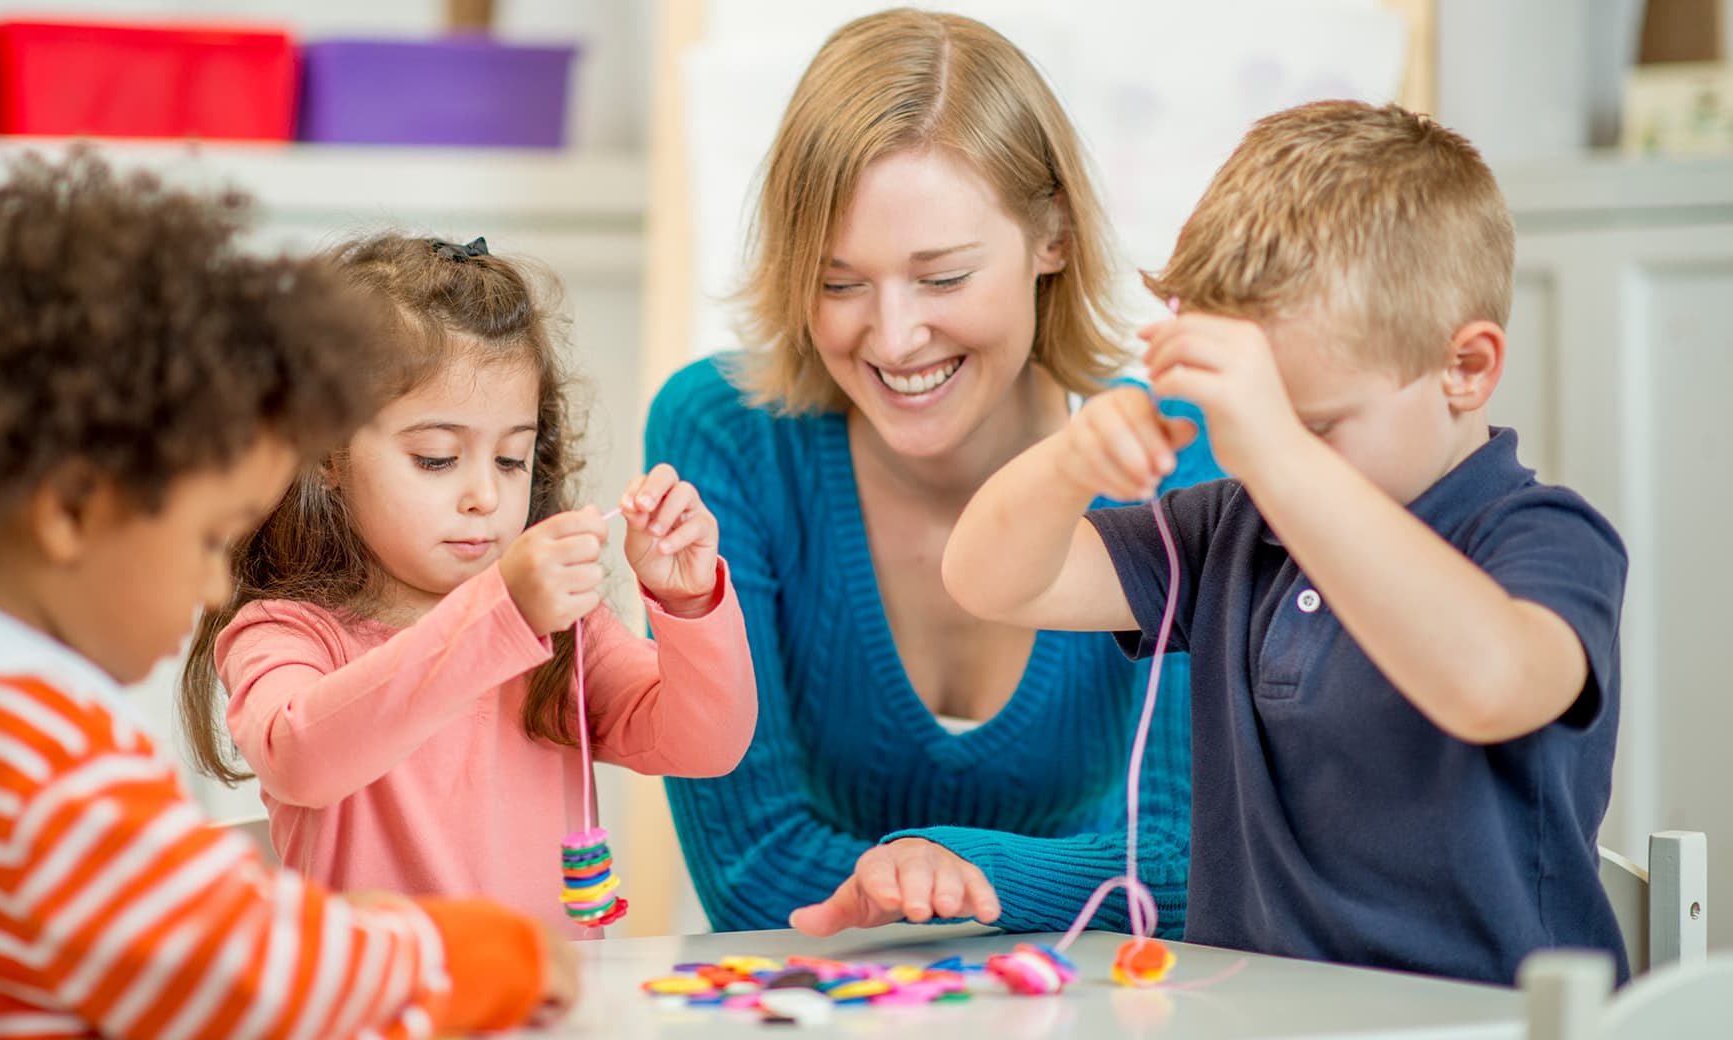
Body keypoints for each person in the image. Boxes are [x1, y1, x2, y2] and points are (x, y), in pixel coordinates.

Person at [0, 153, 576, 1037]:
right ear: (70, 510)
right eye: (211, 538)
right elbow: (267, 982)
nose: (220, 581)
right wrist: (490, 952)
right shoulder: (46, 776)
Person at [944, 100, 1629, 985]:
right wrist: (1072, 461)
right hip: (1264, 1015)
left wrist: (1273, 446)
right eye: (1255, 428)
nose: (1269, 461)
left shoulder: (1545, 536)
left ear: (1465, 369)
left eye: (1312, 425)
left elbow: (1490, 684)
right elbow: (989, 581)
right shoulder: (1237, 526)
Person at [645, 8, 1221, 936]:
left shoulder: (1179, 453)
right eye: (839, 282)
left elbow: (1196, 865)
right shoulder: (723, 433)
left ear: (1055, 238)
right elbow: (752, 870)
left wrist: (955, 874)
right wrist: (1023, 888)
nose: (896, 335)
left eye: (943, 277)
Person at [179, 233, 756, 934]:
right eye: (437, 458)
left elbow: (709, 745)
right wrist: (499, 614)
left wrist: (688, 601)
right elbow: (300, 757)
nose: (485, 494)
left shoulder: (562, 631)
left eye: (512, 459)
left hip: (552, 1009)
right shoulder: (287, 632)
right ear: (326, 453)